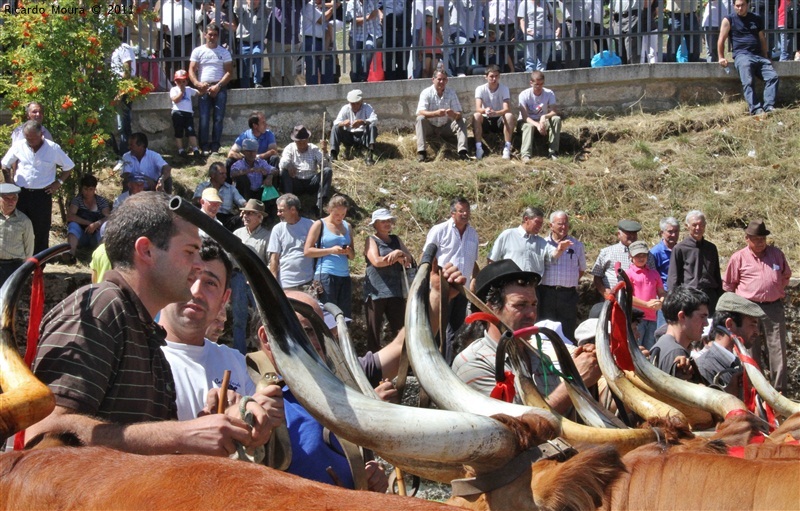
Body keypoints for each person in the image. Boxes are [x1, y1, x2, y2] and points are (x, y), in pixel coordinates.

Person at [27, 193, 270, 456]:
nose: (197, 267)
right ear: (146, 251)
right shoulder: (100, 307)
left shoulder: (145, 333)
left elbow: (149, 446)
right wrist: (181, 435)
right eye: (189, 252)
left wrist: (208, 421)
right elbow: (43, 435)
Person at [255, 290, 391, 492]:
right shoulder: (245, 394)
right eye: (309, 330)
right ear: (267, 337)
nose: (319, 341)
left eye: (322, 330)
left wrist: (370, 478)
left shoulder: (337, 385)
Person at [160, 237, 283, 428]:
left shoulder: (238, 364)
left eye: (210, 283)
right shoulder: (137, 358)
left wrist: (262, 416)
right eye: (188, 277)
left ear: (224, 299)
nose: (196, 291)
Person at [451, 259, 601, 415]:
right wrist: (575, 383)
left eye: (534, 304)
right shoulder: (473, 364)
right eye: (520, 305)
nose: (532, 314)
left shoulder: (541, 360)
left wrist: (576, 369)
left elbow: (566, 418)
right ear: (490, 311)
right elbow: (515, 428)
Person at [723, 219, 792, 393]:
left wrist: (773, 290)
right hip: (747, 308)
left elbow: (786, 276)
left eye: (762, 238)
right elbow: (729, 284)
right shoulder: (738, 257)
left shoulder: (776, 254)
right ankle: (754, 390)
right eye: (756, 238)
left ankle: (779, 392)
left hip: (773, 307)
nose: (760, 242)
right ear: (747, 238)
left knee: (778, 349)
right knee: (749, 348)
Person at [1, 121, 74, 255]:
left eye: (33, 138)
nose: (31, 141)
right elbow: (5, 164)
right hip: (21, 194)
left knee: (41, 230)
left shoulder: (53, 148)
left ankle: (39, 266)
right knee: (18, 227)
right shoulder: (19, 146)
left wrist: (59, 182)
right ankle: (21, 264)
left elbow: (68, 166)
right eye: (28, 138)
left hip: (42, 195)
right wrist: (9, 184)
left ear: (41, 135)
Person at [424, 196, 479, 363]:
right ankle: (438, 365)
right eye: (461, 211)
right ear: (452, 213)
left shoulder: (473, 234)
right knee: (439, 328)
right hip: (443, 288)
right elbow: (427, 257)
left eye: (467, 211)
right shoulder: (440, 230)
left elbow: (473, 262)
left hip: (463, 289)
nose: (465, 214)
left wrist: (475, 279)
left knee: (457, 330)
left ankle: (452, 365)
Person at [363, 208, 414, 353]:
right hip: (376, 292)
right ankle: (372, 367)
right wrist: (397, 257)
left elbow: (408, 260)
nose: (387, 223)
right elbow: (377, 261)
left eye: (388, 221)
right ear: (376, 224)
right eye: (383, 221)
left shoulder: (396, 239)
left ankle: (402, 362)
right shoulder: (371, 240)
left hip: (396, 292)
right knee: (374, 332)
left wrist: (399, 253)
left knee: (400, 329)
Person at [718, 0, 779, 116]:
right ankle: (756, 109)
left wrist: (765, 56)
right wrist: (721, 57)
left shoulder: (756, 18)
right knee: (748, 80)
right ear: (733, 6)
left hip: (758, 56)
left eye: (742, 5)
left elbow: (762, 38)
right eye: (737, 6)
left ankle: (769, 106)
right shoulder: (729, 19)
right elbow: (721, 39)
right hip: (742, 56)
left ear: (748, 5)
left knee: (773, 77)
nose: (739, 8)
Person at [695, 292, 765, 393]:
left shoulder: (737, 361)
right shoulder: (705, 367)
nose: (757, 332)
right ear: (730, 324)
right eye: (752, 324)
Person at [304, 195, 355, 317]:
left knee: (345, 314)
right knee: (327, 313)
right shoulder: (319, 224)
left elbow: (353, 256)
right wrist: (331, 250)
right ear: (329, 210)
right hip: (325, 273)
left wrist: (348, 251)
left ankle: (343, 336)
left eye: (343, 214)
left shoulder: (347, 226)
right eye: (336, 214)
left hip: (344, 275)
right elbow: (307, 251)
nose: (340, 218)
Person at [231, 199, 271, 355]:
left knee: (261, 319)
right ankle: (238, 353)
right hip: (238, 277)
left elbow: (270, 261)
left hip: (257, 280)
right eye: (244, 213)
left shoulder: (267, 236)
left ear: (259, 217)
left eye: (250, 213)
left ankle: (262, 353)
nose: (245, 216)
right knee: (238, 318)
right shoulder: (236, 234)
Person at [539, 211, 585, 341]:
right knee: (546, 329)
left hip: (568, 295)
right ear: (551, 225)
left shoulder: (577, 245)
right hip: (546, 293)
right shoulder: (542, 244)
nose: (564, 227)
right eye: (560, 224)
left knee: (567, 330)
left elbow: (581, 269)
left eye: (566, 224)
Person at [488, 206, 570, 278]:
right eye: (537, 222)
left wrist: (560, 249)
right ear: (526, 219)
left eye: (541, 223)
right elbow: (492, 259)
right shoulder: (508, 235)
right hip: (512, 287)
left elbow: (553, 255)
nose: (540, 226)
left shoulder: (540, 242)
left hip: (533, 288)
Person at [189, 23, 233, 155]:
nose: (212, 37)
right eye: (210, 34)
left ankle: (215, 146)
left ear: (218, 36)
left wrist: (218, 86)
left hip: (219, 87)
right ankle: (204, 147)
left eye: (215, 35)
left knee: (218, 118)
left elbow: (230, 72)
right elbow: (191, 69)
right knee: (204, 117)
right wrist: (197, 84)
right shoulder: (198, 51)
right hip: (203, 87)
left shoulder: (224, 52)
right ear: (205, 35)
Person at [667, 210, 723, 314]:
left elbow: (716, 276)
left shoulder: (711, 248)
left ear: (705, 225)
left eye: (701, 224)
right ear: (687, 226)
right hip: (690, 297)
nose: (698, 228)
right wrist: (674, 302)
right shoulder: (680, 248)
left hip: (710, 297)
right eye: (694, 225)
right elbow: (673, 278)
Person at [650, 285, 709, 381]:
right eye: (702, 317)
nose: (706, 323)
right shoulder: (676, 353)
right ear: (682, 316)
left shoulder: (663, 344)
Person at [415, 70, 469, 162]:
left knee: (462, 120)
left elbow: (459, 114)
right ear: (433, 79)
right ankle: (422, 153)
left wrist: (454, 114)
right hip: (430, 127)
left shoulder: (451, 93)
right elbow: (420, 112)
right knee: (420, 119)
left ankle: (462, 152)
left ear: (447, 81)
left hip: (445, 127)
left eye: (444, 79)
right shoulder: (426, 92)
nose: (441, 82)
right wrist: (435, 114)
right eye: (439, 79)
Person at [278, 125, 332, 214]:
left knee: (327, 171)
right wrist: (289, 165)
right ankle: (289, 203)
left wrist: (325, 151)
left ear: (308, 140)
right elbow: (283, 162)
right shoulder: (290, 148)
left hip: (311, 181)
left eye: (304, 142)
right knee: (284, 172)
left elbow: (326, 165)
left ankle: (320, 204)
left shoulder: (314, 148)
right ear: (295, 141)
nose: (302, 145)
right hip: (296, 181)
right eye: (299, 142)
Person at [592, 219, 653, 297]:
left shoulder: (646, 254)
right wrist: (605, 293)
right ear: (618, 234)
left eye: (634, 233)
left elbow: (652, 275)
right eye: (628, 233)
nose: (632, 236)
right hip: (613, 298)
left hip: (640, 299)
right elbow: (597, 276)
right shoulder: (607, 252)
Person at [268, 194, 316, 291]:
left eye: (281, 211)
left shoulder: (311, 225)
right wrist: (274, 281)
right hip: (285, 283)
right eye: (278, 210)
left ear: (293, 210)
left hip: (307, 282)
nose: (278, 214)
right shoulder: (277, 229)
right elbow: (274, 257)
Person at [625, 240, 665, 350]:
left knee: (649, 348)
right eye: (637, 255)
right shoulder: (628, 274)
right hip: (637, 319)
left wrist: (660, 302)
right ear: (631, 256)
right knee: (636, 347)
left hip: (652, 318)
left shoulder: (654, 273)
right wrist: (647, 304)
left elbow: (661, 292)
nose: (641, 258)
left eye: (643, 255)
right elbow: (627, 297)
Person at [64, 174, 111, 264]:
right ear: (82, 188)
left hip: (96, 237)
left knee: (105, 227)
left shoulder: (101, 201)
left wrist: (96, 224)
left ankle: (103, 257)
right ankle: (71, 254)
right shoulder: (77, 201)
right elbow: (70, 216)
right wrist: (89, 223)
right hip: (81, 236)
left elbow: (109, 217)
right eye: (85, 189)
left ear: (94, 189)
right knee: (73, 225)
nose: (88, 192)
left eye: (91, 189)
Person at [473, 65, 515, 160]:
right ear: (486, 77)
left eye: (496, 76)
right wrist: (485, 110)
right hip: (486, 119)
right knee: (476, 116)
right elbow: (478, 108)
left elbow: (506, 108)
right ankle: (479, 148)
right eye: (491, 76)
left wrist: (496, 113)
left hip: (499, 119)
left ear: (499, 76)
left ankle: (507, 148)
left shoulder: (504, 89)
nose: (494, 79)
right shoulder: (480, 89)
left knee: (509, 116)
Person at [518, 70, 561, 162]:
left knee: (556, 119)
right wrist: (537, 125)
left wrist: (544, 117)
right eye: (536, 84)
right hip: (527, 122)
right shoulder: (524, 95)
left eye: (541, 84)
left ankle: (553, 152)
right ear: (531, 83)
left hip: (542, 121)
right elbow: (525, 117)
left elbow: (554, 111)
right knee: (528, 126)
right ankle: (526, 155)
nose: (539, 87)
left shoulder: (549, 93)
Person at [330, 89, 378, 166]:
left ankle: (369, 155)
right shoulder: (345, 108)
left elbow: (374, 119)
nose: (355, 106)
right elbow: (336, 122)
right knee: (335, 127)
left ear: (361, 101)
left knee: (372, 126)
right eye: (353, 104)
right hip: (349, 137)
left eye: (357, 103)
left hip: (363, 136)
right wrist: (343, 123)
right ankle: (333, 154)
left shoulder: (367, 107)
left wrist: (362, 122)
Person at [193, 162, 247, 229]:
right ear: (213, 175)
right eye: (222, 174)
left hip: (226, 219)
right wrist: (211, 199)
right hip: (207, 216)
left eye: (225, 173)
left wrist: (249, 207)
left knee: (243, 218)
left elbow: (241, 201)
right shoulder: (203, 186)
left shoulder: (230, 188)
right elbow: (195, 201)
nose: (225, 176)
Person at [226, 111, 281, 177]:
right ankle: (226, 185)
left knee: (274, 158)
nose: (266, 125)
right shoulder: (245, 136)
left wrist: (257, 157)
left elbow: (273, 151)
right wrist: (246, 159)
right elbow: (231, 153)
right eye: (263, 123)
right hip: (247, 165)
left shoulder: (269, 134)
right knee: (230, 161)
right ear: (255, 125)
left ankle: (272, 185)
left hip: (264, 165)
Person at [160, 0, 204, 81]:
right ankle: (170, 85)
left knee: (187, 63)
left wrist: (201, 11)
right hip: (170, 39)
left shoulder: (188, 3)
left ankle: (188, 85)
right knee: (170, 64)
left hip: (187, 39)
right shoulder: (165, 5)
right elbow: (159, 20)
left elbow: (197, 19)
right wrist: (161, 26)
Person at [0, 183, 34, 287]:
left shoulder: (24, 221)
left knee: (10, 301)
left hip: (14, 267)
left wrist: (25, 267)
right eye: (7, 198)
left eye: (14, 198)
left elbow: (29, 247)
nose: (11, 201)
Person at [266, 0, 304, 87]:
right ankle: (276, 94)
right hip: (276, 39)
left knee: (291, 72)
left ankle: (289, 96)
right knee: (276, 71)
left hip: (293, 40)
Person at [111, 34, 137, 157]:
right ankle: (115, 153)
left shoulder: (124, 48)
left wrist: (120, 92)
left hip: (123, 88)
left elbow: (127, 69)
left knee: (123, 124)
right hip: (115, 87)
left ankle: (125, 155)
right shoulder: (113, 49)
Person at [234, 0, 269, 88]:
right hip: (244, 42)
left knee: (257, 54)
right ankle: (245, 86)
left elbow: (270, 4)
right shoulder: (243, 10)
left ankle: (257, 82)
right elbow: (237, 8)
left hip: (258, 42)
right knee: (245, 65)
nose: (254, 1)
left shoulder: (264, 9)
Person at [301, 0, 336, 85]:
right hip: (311, 40)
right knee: (312, 72)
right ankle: (313, 94)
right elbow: (321, 19)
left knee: (327, 70)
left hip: (324, 41)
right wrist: (332, 8)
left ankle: (327, 93)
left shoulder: (321, 6)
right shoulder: (308, 5)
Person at [346, 0, 382, 83]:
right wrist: (368, 17)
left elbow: (378, 10)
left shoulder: (372, 2)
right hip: (356, 35)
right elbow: (353, 20)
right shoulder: (352, 3)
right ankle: (355, 79)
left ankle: (363, 78)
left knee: (368, 53)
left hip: (371, 34)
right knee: (355, 61)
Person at [169, 69, 201, 157]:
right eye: (179, 81)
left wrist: (204, 89)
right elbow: (175, 100)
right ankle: (181, 150)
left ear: (186, 81)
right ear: (175, 82)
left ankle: (195, 149)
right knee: (178, 132)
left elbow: (198, 93)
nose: (181, 83)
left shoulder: (189, 89)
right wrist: (181, 92)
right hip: (177, 112)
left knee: (191, 131)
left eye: (183, 81)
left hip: (188, 113)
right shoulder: (174, 89)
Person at [517, 0, 556, 71]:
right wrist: (524, 30)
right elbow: (521, 19)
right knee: (530, 58)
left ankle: (540, 75)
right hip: (531, 33)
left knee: (544, 59)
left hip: (547, 33)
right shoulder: (524, 3)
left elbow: (553, 16)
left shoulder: (545, 2)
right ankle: (530, 75)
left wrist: (558, 28)